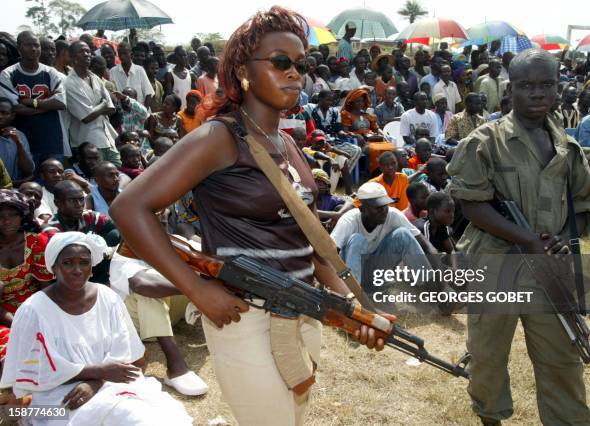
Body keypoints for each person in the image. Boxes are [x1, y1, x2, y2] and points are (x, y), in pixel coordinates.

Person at [109, 8, 388, 425]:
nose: (294, 74)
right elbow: (129, 208)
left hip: (302, 308)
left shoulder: (287, 142)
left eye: (300, 65)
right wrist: (197, 291)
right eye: (280, 62)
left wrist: (351, 306)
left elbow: (312, 243)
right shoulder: (218, 137)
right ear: (242, 70)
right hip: (244, 314)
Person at [447, 48, 590, 426]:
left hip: (550, 269)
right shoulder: (486, 141)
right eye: (526, 85)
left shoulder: (569, 147)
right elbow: (471, 205)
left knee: (561, 354)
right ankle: (490, 417)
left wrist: (563, 238)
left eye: (546, 84)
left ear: (557, 88)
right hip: (495, 265)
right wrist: (526, 239)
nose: (537, 93)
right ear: (509, 89)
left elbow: (583, 207)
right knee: (488, 355)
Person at [0, 231, 193, 425]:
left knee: (140, 415)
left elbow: (123, 355)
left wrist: (95, 382)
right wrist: (98, 372)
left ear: (92, 268)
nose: (77, 270)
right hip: (55, 397)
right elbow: (34, 372)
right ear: (53, 267)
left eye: (84, 262)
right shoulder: (33, 311)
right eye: (68, 263)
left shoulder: (107, 297)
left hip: (110, 383)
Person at [109, 250, 208, 397]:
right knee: (147, 292)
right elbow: (141, 285)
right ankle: (176, 368)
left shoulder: (169, 244)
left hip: (167, 315)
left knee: (202, 267)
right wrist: (201, 288)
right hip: (141, 324)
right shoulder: (123, 255)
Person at [331, 181, 427, 293]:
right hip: (349, 276)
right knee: (357, 240)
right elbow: (330, 253)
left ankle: (429, 284)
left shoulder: (393, 215)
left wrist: (443, 285)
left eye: (385, 205)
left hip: (374, 273)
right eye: (378, 207)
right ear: (362, 209)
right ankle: (355, 295)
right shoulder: (349, 220)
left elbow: (422, 242)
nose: (384, 211)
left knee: (403, 234)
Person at [0, 189, 54, 361]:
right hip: (4, 316)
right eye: (0, 215)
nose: (6, 221)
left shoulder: (36, 242)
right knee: (10, 346)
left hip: (35, 309)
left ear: (21, 216)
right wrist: (19, 323)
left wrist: (38, 319)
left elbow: (46, 290)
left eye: (12, 215)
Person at [0, 31, 67, 169]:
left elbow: (60, 103)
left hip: (52, 140)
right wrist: (48, 105)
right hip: (23, 142)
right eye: (28, 45)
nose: (33, 48)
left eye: (36, 45)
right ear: (19, 48)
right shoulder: (8, 74)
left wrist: (31, 102)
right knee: (29, 186)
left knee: (54, 185)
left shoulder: (51, 72)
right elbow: (15, 109)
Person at [65, 41, 120, 167]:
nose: (86, 54)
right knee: (98, 178)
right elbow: (86, 117)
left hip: (107, 139)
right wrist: (102, 105)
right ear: (73, 57)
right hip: (88, 144)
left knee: (117, 173)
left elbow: (112, 108)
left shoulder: (95, 78)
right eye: (81, 51)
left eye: (88, 51)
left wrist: (97, 108)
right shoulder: (69, 83)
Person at [109, 42, 154, 108]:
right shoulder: (113, 71)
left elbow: (149, 93)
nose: (122, 56)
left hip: (140, 112)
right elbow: (112, 94)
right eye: (120, 53)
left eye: (124, 53)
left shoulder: (139, 70)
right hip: (122, 113)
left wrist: (144, 112)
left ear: (131, 54)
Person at [0, 97, 34, 185]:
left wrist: (18, 142)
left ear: (12, 116)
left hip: (13, 191)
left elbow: (28, 170)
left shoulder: (20, 136)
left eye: (4, 113)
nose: (0, 116)